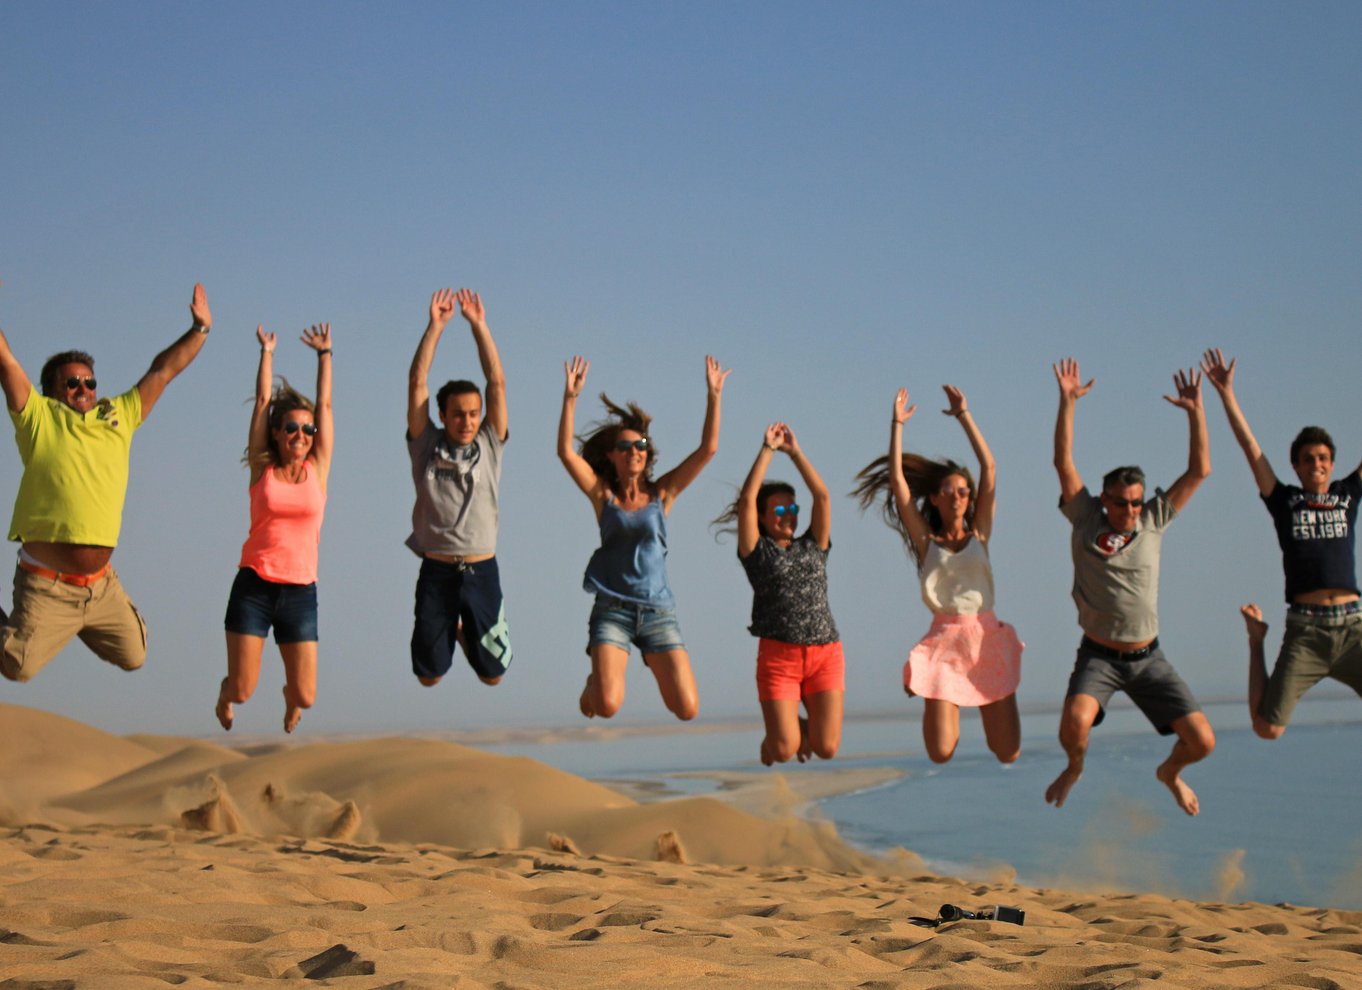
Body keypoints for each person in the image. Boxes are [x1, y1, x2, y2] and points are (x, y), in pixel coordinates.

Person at [0, 283, 212, 682]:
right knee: (17, 667)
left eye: (90, 382)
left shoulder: (119, 416)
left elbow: (163, 371)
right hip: (48, 587)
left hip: (101, 587)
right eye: (73, 383)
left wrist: (199, 330)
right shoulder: (38, 418)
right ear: (50, 392)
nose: (84, 389)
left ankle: (81, 623)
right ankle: (50, 626)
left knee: (135, 656)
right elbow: (6, 362)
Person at [1047, 357, 1215, 816]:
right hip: (1099, 656)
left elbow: (1200, 470)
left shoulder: (1155, 519)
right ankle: (1075, 768)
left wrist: (1196, 411)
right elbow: (1063, 461)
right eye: (1121, 503)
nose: (1130, 510)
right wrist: (1068, 403)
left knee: (1203, 742)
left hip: (1149, 658)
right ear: (1106, 500)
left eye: (1136, 503)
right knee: (1073, 726)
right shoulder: (1085, 518)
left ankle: (1169, 773)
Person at [853, 385, 1022, 764]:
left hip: (987, 637)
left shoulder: (980, 533)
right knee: (941, 751)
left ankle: (953, 689)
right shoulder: (927, 541)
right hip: (945, 640)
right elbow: (897, 483)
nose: (960, 496)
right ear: (935, 498)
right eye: (951, 491)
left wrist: (964, 415)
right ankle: (935, 687)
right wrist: (897, 424)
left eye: (965, 491)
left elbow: (990, 469)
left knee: (1008, 752)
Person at [557, 354, 730, 721]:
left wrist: (714, 396)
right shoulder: (603, 496)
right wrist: (570, 399)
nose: (635, 451)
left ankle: (622, 670)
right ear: (612, 456)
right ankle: (594, 685)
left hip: (657, 613)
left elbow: (708, 450)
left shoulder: (662, 494)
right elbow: (565, 454)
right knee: (606, 706)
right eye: (625, 447)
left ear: (647, 453)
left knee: (687, 709)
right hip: (613, 612)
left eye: (641, 445)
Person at [1201, 349, 1362, 736]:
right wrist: (1227, 395)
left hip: (1353, 628)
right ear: (1296, 466)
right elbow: (1250, 448)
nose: (1317, 465)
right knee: (1266, 728)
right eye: (1308, 459)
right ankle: (1256, 641)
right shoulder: (1285, 500)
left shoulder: (1347, 494)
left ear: (1333, 464)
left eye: (1323, 458)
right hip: (1306, 632)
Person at [216, 323, 334, 733]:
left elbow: (326, 407)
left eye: (307, 430)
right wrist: (267, 352)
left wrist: (325, 355)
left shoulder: (317, 470)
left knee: (306, 697)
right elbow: (264, 400)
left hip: (301, 591)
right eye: (291, 428)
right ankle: (223, 693)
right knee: (242, 690)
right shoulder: (261, 469)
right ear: (277, 434)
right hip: (255, 586)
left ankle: (289, 700)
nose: (301, 435)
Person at [715, 421, 843, 765]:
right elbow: (745, 501)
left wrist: (795, 452)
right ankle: (780, 733)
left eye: (793, 509)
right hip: (779, 659)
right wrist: (768, 450)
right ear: (763, 516)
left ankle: (793, 725)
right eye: (781, 510)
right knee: (784, 751)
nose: (789, 516)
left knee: (826, 748)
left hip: (825, 654)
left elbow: (823, 496)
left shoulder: (815, 545)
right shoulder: (758, 553)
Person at [406, 288, 512, 690]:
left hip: (482, 569)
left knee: (493, 677)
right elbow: (417, 383)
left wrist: (479, 326)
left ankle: (463, 631)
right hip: (437, 571)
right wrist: (435, 327)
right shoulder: (426, 445)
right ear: (442, 415)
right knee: (428, 677)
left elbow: (497, 382)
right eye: (458, 414)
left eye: (473, 414)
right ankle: (445, 624)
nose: (466, 421)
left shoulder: (490, 444)